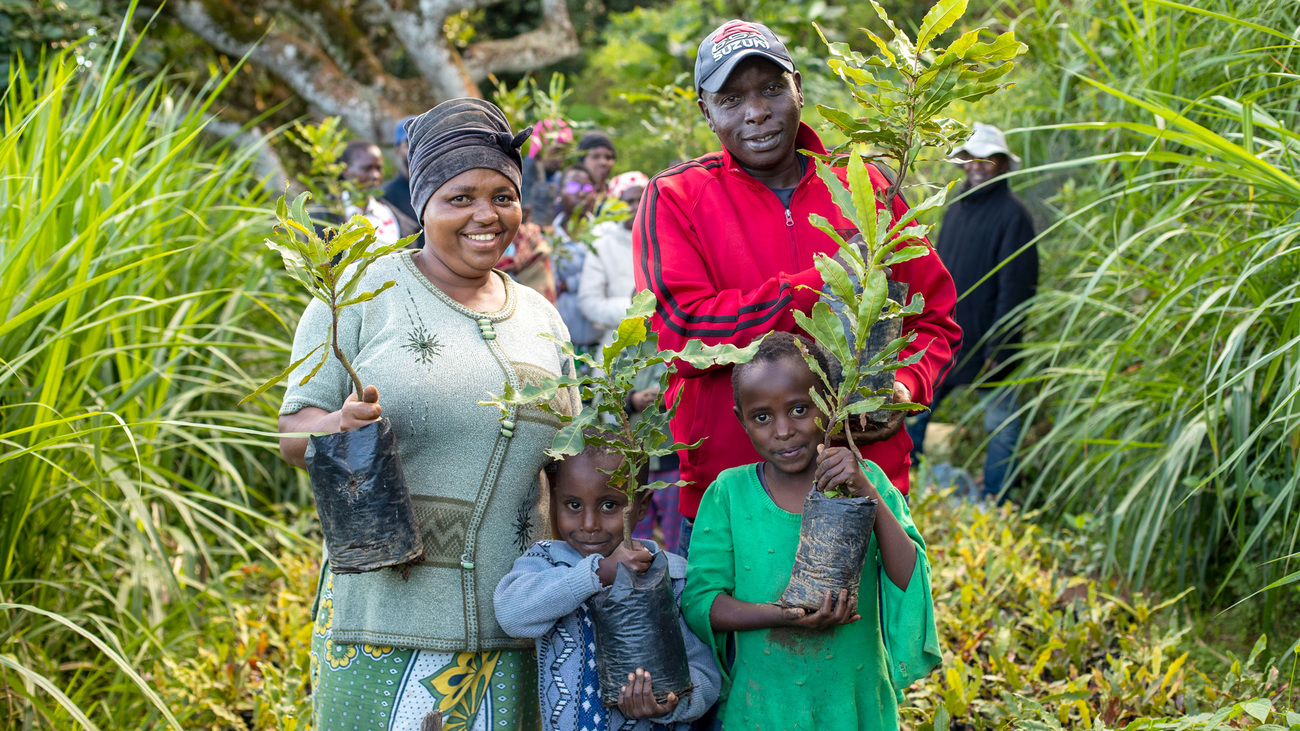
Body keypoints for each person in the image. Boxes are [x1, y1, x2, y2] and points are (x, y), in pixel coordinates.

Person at [279, 98, 579, 730]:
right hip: (383, 623)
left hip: (515, 625)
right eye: (459, 197)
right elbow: (293, 433)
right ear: (422, 205)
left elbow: (567, 460)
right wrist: (340, 426)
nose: (485, 215)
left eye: (502, 196)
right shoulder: (359, 295)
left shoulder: (542, 318)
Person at [633, 20, 962, 556]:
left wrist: (902, 386)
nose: (756, 111)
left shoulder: (869, 186)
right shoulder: (677, 196)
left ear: (798, 91)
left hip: (860, 487)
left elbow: (934, 318)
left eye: (770, 88)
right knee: (738, 635)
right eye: (732, 97)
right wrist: (824, 281)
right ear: (706, 111)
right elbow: (686, 333)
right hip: (731, 497)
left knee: (868, 638)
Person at [681, 332, 941, 730]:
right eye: (762, 417)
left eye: (800, 409)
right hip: (765, 706)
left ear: (828, 403)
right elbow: (701, 603)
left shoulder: (867, 480)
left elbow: (909, 577)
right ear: (741, 420)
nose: (783, 431)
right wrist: (783, 616)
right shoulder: (728, 494)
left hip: (854, 702)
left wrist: (867, 493)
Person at [493, 442, 720, 731]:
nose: (589, 524)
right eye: (573, 505)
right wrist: (598, 573)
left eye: (609, 505)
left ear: (641, 506)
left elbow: (706, 673)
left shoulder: (668, 576)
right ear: (554, 500)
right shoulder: (547, 563)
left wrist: (671, 704)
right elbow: (511, 615)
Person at [906, 123, 1037, 500]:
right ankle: (908, 483)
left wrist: (1003, 350)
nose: (979, 167)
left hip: (991, 343)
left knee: (1001, 424)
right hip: (947, 335)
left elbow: (1017, 291)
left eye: (988, 160)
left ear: (1001, 165)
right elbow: (939, 271)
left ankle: (997, 498)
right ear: (964, 163)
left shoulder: (1015, 217)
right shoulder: (959, 206)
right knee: (916, 405)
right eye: (973, 159)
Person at [577, 171, 649, 347]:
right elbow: (588, 302)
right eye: (629, 201)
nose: (636, 206)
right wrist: (633, 306)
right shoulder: (603, 247)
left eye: (641, 199)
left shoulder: (666, 239)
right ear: (616, 206)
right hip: (619, 348)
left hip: (665, 354)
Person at [552, 165, 606, 355]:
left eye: (588, 189)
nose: (581, 194)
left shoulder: (606, 235)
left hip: (601, 342)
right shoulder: (547, 238)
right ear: (559, 192)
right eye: (573, 187)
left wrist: (569, 283)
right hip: (558, 346)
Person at [340, 138, 409, 245]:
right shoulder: (327, 214)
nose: (375, 175)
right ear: (346, 171)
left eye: (378, 169)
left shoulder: (390, 214)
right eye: (366, 169)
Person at [381, 115, 424, 247]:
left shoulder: (447, 189)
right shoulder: (384, 196)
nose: (416, 149)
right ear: (398, 150)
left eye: (422, 141)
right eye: (408, 143)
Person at [520, 118, 573, 223]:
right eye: (556, 151)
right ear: (540, 148)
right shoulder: (518, 175)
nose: (559, 159)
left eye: (563, 153)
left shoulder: (560, 179)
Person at [577, 131, 617, 201]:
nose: (603, 162)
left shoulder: (617, 192)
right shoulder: (574, 193)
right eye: (596, 156)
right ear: (582, 160)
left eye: (608, 157)